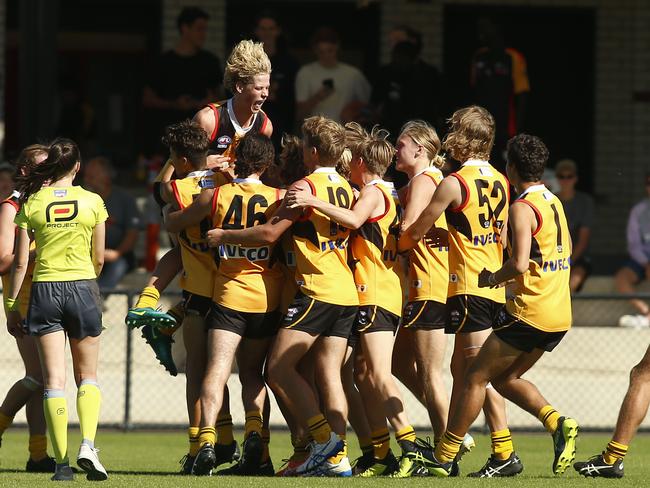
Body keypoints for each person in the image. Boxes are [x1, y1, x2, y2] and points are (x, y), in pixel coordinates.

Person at [206, 116, 357, 477]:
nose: (302, 150)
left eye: (305, 145)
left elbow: (271, 234)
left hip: (317, 289)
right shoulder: (347, 188)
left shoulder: (303, 187)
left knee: (276, 369)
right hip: (346, 291)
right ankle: (335, 455)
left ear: (314, 151)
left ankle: (327, 444)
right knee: (328, 375)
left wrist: (225, 236)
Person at [423, 134, 578, 477]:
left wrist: (494, 277)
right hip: (559, 312)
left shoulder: (523, 207)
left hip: (530, 311)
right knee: (507, 378)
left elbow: (520, 263)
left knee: (475, 378)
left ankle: (444, 456)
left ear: (510, 169)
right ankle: (559, 423)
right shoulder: (553, 201)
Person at [126, 39, 273, 376]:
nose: (265, 94)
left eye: (267, 86)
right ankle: (149, 301)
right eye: (258, 87)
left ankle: (167, 323)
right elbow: (182, 160)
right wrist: (206, 164)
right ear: (239, 86)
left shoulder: (264, 125)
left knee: (217, 280)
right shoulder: (209, 117)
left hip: (227, 206)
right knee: (183, 244)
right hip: (193, 193)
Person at [402, 106, 519, 477]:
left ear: (464, 139)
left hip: (468, 284)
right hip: (493, 285)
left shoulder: (453, 182)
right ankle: (458, 447)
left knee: (477, 373)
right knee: (462, 369)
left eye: (453, 131)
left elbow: (415, 230)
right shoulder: (502, 180)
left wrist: (392, 239)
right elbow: (494, 233)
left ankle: (496, 451)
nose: (448, 136)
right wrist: (452, 234)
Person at [166, 133, 283, 476]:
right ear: (266, 164)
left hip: (229, 295)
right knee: (252, 375)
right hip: (266, 297)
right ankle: (254, 434)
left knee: (215, 372)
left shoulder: (214, 194)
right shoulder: (278, 197)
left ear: (237, 159)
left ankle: (206, 442)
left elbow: (174, 222)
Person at [5, 139, 108, 481]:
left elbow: (20, 262)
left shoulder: (32, 202)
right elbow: (99, 257)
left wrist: (10, 306)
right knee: (87, 377)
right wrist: (86, 281)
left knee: (53, 381)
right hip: (82, 287)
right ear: (77, 167)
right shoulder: (93, 201)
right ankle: (88, 445)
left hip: (44, 289)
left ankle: (61, 463)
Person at [393, 121, 454, 455]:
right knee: (399, 364)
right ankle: (453, 432)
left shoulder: (424, 180)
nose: (395, 151)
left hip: (427, 282)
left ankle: (449, 444)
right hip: (423, 284)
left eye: (401, 144)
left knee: (432, 374)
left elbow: (408, 231)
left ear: (419, 148)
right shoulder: (423, 180)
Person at [0, 144, 56, 473]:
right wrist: (38, 252)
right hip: (23, 301)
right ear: (24, 172)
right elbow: (4, 260)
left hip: (50, 295)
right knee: (37, 376)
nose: (49, 177)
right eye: (42, 169)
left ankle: (38, 454)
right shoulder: (11, 207)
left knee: (46, 379)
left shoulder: (49, 202)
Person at [142, 6, 223, 156]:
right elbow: (147, 99)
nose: (203, 34)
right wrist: (174, 104)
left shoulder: (209, 62)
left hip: (200, 136)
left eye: (205, 29)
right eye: (199, 29)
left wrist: (206, 105)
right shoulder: (163, 62)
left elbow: (220, 98)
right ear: (185, 28)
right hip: (167, 136)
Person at [470, 18, 530, 170]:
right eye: (480, 30)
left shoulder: (513, 57)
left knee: (505, 164)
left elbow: (521, 94)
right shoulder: (479, 56)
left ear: (497, 30)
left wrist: (516, 128)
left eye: (485, 29)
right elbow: (473, 90)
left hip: (505, 124)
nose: (481, 34)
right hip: (481, 123)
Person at [83, 157, 142, 290]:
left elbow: (132, 233)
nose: (87, 180)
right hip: (88, 253)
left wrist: (117, 253)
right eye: (86, 176)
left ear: (106, 176)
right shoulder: (84, 199)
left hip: (119, 254)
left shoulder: (124, 199)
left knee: (118, 266)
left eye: (92, 176)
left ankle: (100, 298)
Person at [295, 27, 371, 124]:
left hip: (344, 134)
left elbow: (367, 106)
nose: (326, 56)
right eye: (321, 52)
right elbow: (299, 113)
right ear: (315, 50)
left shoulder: (353, 74)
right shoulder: (305, 73)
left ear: (337, 47)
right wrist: (317, 98)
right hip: (316, 134)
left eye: (330, 51)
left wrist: (352, 112)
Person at [252, 10, 299, 150]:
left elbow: (294, 97)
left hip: (282, 126)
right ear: (256, 31)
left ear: (278, 31)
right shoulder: (249, 60)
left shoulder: (289, 63)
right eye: (263, 29)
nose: (267, 33)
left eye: (271, 29)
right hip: (252, 124)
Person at [554, 159, 595, 293]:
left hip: (577, 258)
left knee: (573, 281)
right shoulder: (550, 200)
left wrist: (568, 262)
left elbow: (583, 241)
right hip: (552, 256)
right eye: (561, 176)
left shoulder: (585, 202)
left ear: (575, 178)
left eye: (569, 176)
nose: (565, 180)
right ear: (557, 178)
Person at [616, 175, 650, 328]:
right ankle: (646, 312)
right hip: (642, 260)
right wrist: (645, 262)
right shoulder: (638, 210)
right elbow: (633, 244)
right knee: (622, 278)